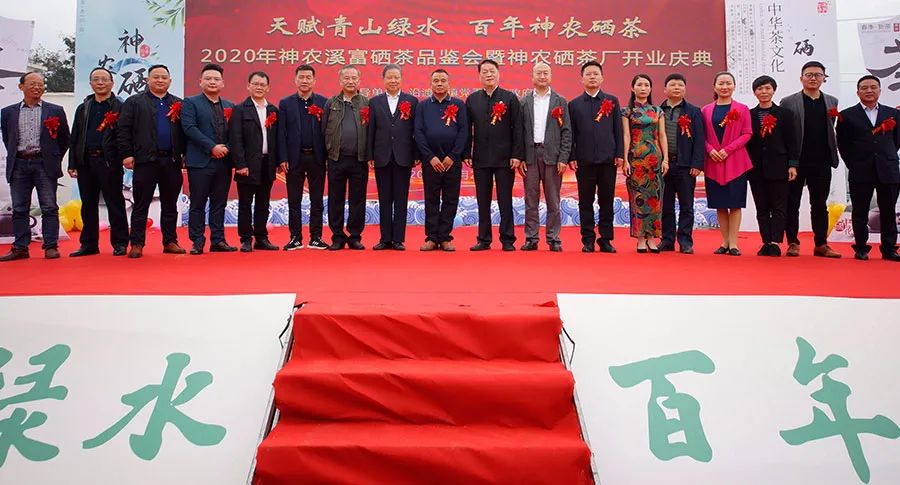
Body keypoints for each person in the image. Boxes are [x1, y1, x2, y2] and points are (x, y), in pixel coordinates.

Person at [116, 64, 186, 259]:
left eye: (164, 77)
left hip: (171, 161)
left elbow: (185, 133)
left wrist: (184, 154)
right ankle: (137, 243)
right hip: (145, 161)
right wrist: (127, 154)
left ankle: (170, 241)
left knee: (170, 204)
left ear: (170, 81)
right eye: (156, 77)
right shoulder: (135, 102)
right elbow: (123, 130)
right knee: (141, 203)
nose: (160, 80)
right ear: (148, 79)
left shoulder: (178, 103)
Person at [0, 72, 70, 261]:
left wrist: (52, 157)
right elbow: (8, 138)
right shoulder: (8, 112)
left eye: (40, 84)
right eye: (32, 84)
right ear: (21, 86)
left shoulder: (55, 110)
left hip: (44, 164)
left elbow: (64, 139)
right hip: (19, 164)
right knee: (19, 208)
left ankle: (50, 246)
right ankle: (20, 247)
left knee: (49, 206)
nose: (37, 88)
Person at [780, 61, 841, 258]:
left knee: (819, 204)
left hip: (822, 161)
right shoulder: (788, 102)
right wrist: (791, 161)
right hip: (796, 162)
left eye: (817, 75)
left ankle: (821, 244)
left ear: (824, 78)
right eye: (809, 74)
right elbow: (785, 134)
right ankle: (793, 242)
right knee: (792, 203)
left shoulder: (832, 101)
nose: (813, 78)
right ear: (801, 78)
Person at [836, 75, 900, 262]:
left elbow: (896, 141)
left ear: (879, 90)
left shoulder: (893, 114)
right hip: (860, 169)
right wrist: (855, 162)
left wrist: (884, 156)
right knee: (860, 211)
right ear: (858, 92)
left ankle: (889, 248)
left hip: (887, 170)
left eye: (873, 87)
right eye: (864, 88)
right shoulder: (847, 115)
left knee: (888, 210)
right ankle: (861, 248)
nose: (869, 91)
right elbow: (843, 144)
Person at [67, 67, 129, 257]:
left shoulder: (120, 106)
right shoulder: (84, 107)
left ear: (112, 83)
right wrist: (73, 163)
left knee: (115, 202)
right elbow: (75, 136)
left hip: (109, 161)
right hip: (86, 161)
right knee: (88, 204)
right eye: (96, 79)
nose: (100, 83)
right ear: (91, 83)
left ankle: (119, 243)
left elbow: (125, 135)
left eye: (104, 79)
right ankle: (89, 244)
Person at [465, 59, 524, 252]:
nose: (488, 75)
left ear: (498, 74)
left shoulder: (510, 98)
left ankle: (508, 239)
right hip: (481, 158)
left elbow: (518, 129)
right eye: (484, 72)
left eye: (492, 71)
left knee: (505, 199)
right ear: (479, 76)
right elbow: (467, 130)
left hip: (505, 159)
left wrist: (517, 155)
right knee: (483, 200)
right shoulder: (472, 100)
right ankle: (484, 238)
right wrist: (467, 153)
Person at [568, 61, 624, 253]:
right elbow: (571, 134)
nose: (592, 77)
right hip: (584, 162)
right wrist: (572, 156)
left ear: (602, 78)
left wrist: (619, 154)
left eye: (596, 74)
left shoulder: (612, 101)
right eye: (588, 74)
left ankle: (606, 239)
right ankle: (588, 239)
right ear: (581, 79)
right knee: (585, 201)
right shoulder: (574, 105)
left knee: (606, 200)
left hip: (608, 161)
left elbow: (618, 129)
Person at [181, 63, 236, 255]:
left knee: (219, 202)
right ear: (200, 82)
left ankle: (218, 240)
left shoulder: (230, 106)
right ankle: (197, 240)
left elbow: (235, 134)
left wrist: (226, 148)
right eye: (208, 79)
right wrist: (211, 147)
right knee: (198, 202)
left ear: (222, 83)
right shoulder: (190, 103)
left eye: (216, 79)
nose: (212, 82)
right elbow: (189, 128)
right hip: (200, 161)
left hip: (224, 162)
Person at [414, 69, 468, 252]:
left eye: (443, 80)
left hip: (452, 162)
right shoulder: (422, 106)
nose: (439, 83)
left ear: (449, 83)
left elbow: (464, 132)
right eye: (435, 80)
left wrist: (453, 156)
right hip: (432, 162)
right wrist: (430, 157)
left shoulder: (459, 105)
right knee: (431, 199)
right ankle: (431, 237)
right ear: (430, 83)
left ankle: (445, 237)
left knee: (450, 200)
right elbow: (418, 133)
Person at [520, 62, 571, 252]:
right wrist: (521, 157)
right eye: (538, 73)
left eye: (546, 73)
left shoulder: (560, 101)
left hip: (553, 156)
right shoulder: (524, 101)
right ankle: (531, 238)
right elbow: (519, 132)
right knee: (531, 200)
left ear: (551, 76)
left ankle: (553, 238)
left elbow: (566, 132)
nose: (542, 76)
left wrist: (563, 158)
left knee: (553, 200)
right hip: (530, 155)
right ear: (532, 77)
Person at [367, 64, 418, 251]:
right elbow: (371, 130)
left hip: (403, 157)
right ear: (383, 80)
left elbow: (416, 131)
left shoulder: (411, 101)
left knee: (401, 198)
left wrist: (416, 155)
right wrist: (370, 154)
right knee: (385, 199)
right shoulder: (375, 102)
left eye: (396, 77)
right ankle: (385, 238)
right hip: (382, 156)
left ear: (401, 79)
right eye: (389, 77)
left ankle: (398, 239)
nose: (393, 80)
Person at [746, 76, 799, 257]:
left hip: (779, 166)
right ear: (755, 92)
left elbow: (792, 141)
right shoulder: (750, 115)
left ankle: (776, 242)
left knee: (779, 206)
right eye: (760, 89)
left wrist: (792, 164)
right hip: (755, 168)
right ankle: (766, 241)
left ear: (773, 90)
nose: (764, 92)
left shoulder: (784, 114)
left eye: (767, 88)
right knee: (762, 207)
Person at [701, 71, 752, 256]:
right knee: (720, 204)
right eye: (721, 83)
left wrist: (728, 149)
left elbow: (747, 133)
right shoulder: (705, 110)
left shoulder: (742, 109)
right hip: (713, 162)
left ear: (734, 86)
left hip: (736, 162)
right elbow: (702, 136)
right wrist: (710, 150)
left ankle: (734, 243)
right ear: (714, 86)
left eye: (728, 83)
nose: (724, 87)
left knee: (735, 204)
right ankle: (724, 242)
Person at [278, 64, 328, 250]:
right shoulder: (286, 103)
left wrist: (327, 158)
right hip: (294, 159)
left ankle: (316, 237)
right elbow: (281, 133)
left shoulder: (324, 102)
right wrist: (283, 158)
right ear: (295, 80)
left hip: (317, 158)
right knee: (294, 199)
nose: (305, 81)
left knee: (317, 199)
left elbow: (328, 133)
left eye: (308, 77)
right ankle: (295, 237)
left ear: (314, 81)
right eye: (301, 77)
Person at [228, 71, 279, 252]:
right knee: (245, 203)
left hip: (267, 163)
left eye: (262, 84)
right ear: (248, 86)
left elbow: (278, 138)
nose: (259, 87)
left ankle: (261, 238)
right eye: (255, 84)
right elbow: (235, 139)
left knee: (263, 203)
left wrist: (278, 161)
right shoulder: (240, 109)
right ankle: (245, 238)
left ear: (268, 88)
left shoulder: (273, 110)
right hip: (247, 165)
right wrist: (240, 164)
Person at [322, 65, 369, 250]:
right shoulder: (331, 103)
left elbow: (371, 131)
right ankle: (337, 236)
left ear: (359, 81)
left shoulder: (366, 103)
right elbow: (324, 129)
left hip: (359, 159)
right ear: (340, 81)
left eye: (353, 78)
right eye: (346, 78)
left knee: (358, 199)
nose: (350, 81)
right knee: (336, 198)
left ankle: (355, 236)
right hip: (336, 158)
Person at [659, 73, 706, 254]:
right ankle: (667, 239)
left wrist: (697, 164)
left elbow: (699, 139)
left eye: (680, 85)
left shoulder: (693, 111)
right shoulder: (658, 110)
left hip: (685, 165)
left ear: (685, 89)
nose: (676, 88)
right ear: (665, 90)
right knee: (666, 205)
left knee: (687, 205)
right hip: (664, 166)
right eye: (672, 85)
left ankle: (685, 240)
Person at [622, 74, 668, 253]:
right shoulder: (627, 111)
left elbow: (662, 135)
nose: (643, 88)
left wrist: (665, 159)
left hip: (654, 160)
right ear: (633, 88)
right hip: (636, 160)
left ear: (650, 89)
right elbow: (626, 136)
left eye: (646, 85)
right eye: (639, 85)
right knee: (639, 199)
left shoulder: (657, 111)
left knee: (654, 198)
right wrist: (625, 159)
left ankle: (652, 238)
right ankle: (640, 237)